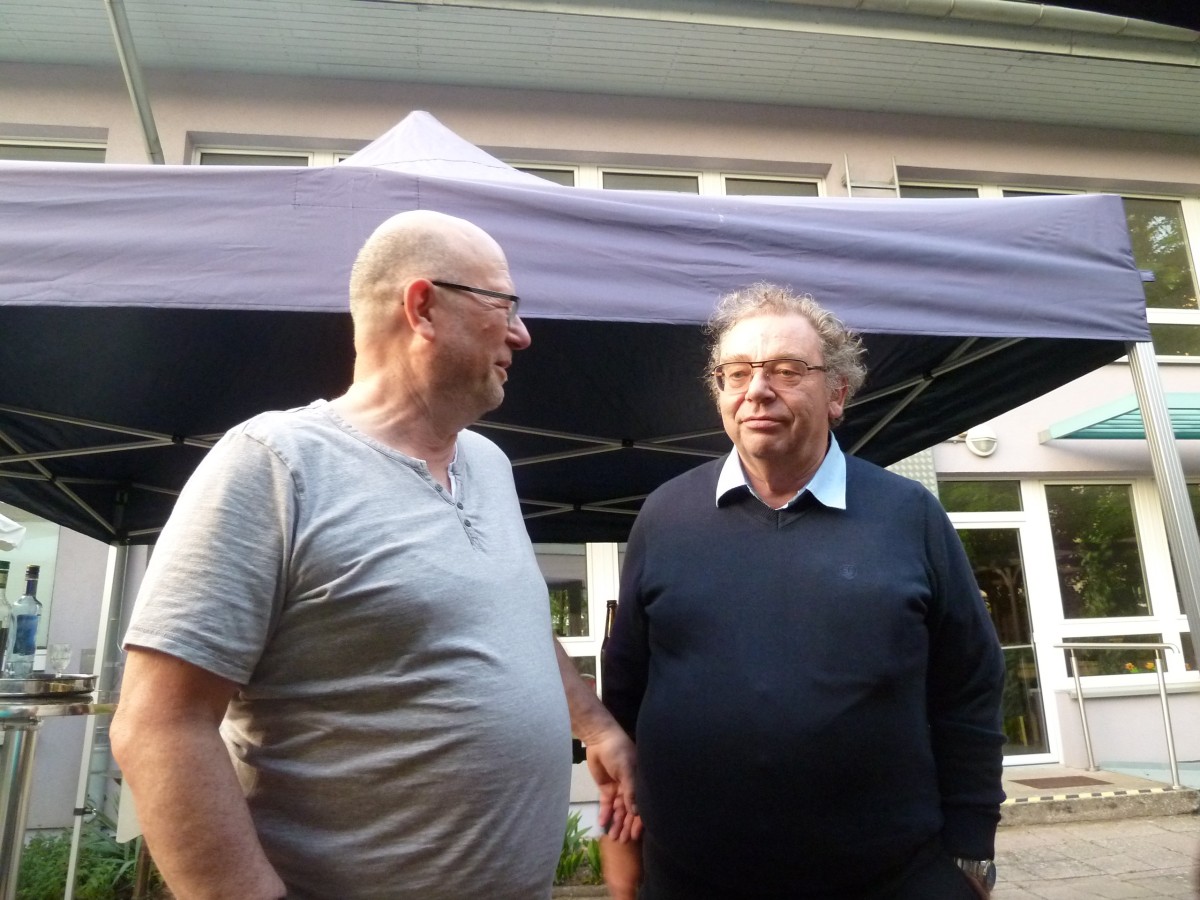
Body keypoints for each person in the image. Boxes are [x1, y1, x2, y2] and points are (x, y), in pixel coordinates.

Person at [110, 210, 637, 900]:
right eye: (503, 305)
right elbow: (159, 724)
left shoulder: (488, 463)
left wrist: (596, 728)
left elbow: (513, 623)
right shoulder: (275, 464)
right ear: (423, 308)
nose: (521, 333)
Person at [601, 283, 1005, 899]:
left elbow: (970, 684)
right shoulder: (664, 515)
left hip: (888, 879)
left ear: (838, 393)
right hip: (693, 880)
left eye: (787, 371)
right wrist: (621, 837)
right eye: (737, 373)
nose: (757, 390)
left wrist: (972, 851)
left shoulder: (908, 514)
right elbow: (626, 686)